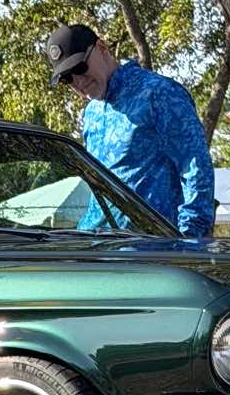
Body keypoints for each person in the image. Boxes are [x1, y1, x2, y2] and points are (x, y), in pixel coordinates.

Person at [43, 22, 216, 239]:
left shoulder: (159, 94)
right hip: (97, 248)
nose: (77, 82)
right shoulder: (91, 114)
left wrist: (189, 239)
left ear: (102, 48)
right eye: (67, 78)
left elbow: (196, 168)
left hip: (152, 250)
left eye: (79, 68)